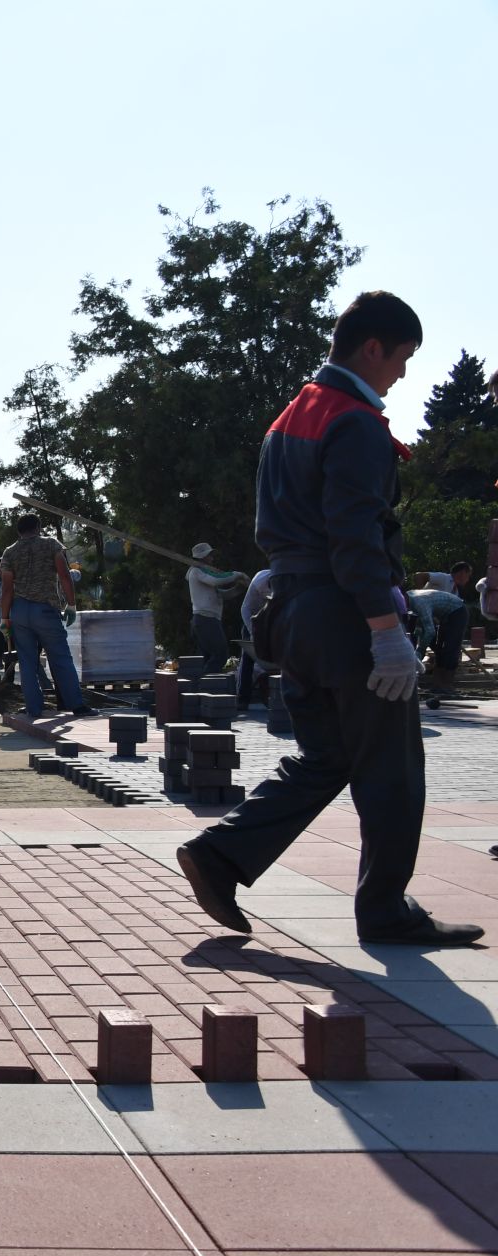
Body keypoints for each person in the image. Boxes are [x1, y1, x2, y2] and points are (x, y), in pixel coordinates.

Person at [176, 291, 482, 947]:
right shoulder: (355, 421)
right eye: (401, 359)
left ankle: (220, 856)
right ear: (372, 347)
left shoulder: (290, 416)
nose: (401, 374)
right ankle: (384, 909)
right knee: (393, 767)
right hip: (345, 614)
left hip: (291, 612)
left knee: (327, 759)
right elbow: (354, 537)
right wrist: (385, 630)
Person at [0, 513, 89, 719]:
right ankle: (77, 705)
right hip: (45, 609)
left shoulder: (10, 552)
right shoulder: (51, 545)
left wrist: (5, 618)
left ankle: (34, 709)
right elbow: (64, 575)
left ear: (19, 531)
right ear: (38, 527)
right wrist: (71, 605)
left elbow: (7, 589)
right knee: (60, 658)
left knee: (28, 661)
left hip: (20, 612)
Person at [185, 545, 249, 673]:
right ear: (202, 557)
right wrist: (237, 575)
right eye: (210, 555)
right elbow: (216, 581)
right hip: (205, 619)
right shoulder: (197, 571)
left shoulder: (203, 573)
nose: (212, 558)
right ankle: (209, 686)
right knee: (220, 654)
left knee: (209, 657)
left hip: (206, 620)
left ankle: (203, 686)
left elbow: (220, 595)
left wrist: (239, 588)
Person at [406, 584, 468, 693]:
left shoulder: (418, 603)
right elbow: (421, 626)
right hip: (445, 615)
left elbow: (430, 631)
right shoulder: (409, 597)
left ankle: (446, 685)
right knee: (439, 649)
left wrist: (420, 650)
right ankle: (437, 685)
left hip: (457, 611)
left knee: (450, 648)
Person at [235, 569, 277, 709]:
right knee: (248, 658)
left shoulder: (280, 580)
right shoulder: (261, 580)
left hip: (267, 621)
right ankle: (242, 699)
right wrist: (252, 632)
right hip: (250, 619)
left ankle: (278, 696)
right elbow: (244, 610)